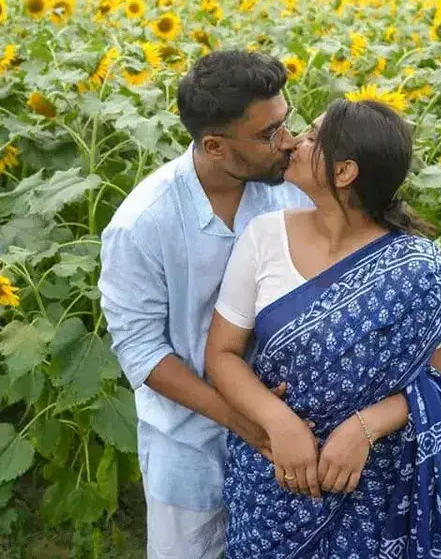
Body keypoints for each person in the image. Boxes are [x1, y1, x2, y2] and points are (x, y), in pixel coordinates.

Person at [205, 98, 441, 559]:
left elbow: (438, 381)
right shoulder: (266, 236)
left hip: (370, 484)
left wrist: (364, 427)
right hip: (273, 474)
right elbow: (222, 354)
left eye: (311, 138)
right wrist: (278, 421)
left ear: (344, 173)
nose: (294, 143)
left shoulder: (416, 271)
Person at [99, 50, 313, 559]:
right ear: (214, 146)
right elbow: (140, 349)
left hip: (290, 431)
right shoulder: (143, 225)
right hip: (192, 441)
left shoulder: (291, 194)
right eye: (267, 135)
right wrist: (241, 417)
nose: (287, 143)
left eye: (286, 123)